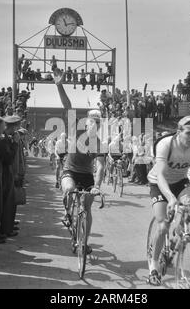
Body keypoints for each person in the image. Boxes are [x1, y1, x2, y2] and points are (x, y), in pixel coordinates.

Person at [146, 116, 190, 285]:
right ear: (179, 132)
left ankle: (173, 241)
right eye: (189, 133)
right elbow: (161, 174)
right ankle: (154, 266)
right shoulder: (166, 144)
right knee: (163, 225)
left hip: (180, 181)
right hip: (159, 182)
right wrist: (171, 198)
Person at [53, 66, 105, 255]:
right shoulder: (76, 128)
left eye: (98, 123)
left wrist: (97, 185)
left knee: (87, 207)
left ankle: (83, 242)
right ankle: (68, 214)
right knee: (68, 188)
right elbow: (67, 105)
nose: (95, 126)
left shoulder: (99, 143)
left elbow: (100, 167)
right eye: (93, 122)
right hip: (70, 170)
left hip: (87, 175)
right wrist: (59, 86)